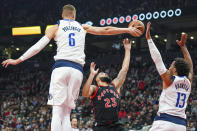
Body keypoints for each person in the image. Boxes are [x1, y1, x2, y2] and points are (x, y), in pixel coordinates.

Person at [1, 4, 142, 131]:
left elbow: (38, 46)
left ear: (63, 15)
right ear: (74, 16)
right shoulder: (82, 26)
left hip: (61, 67)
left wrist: (19, 59)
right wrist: (127, 29)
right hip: (77, 70)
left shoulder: (55, 27)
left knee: (57, 110)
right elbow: (105, 29)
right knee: (67, 111)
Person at [146, 22, 193, 131]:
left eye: (172, 64)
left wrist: (149, 39)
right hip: (181, 125)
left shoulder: (169, 80)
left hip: (165, 122)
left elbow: (158, 60)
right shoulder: (188, 81)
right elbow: (190, 66)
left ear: (175, 69)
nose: (170, 66)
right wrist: (183, 47)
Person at [82, 38, 131, 131]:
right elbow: (84, 93)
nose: (103, 72)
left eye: (104, 73)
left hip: (116, 124)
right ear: (97, 79)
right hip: (101, 126)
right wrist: (92, 75)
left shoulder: (114, 85)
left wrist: (127, 50)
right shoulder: (95, 89)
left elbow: (124, 69)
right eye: (101, 73)